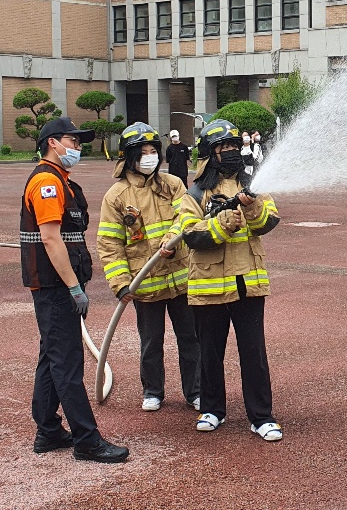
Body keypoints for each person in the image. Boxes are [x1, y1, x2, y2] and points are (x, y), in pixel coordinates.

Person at [21, 117, 129, 463]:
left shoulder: (58, 180)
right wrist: (73, 288)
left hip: (56, 286)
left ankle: (49, 430)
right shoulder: (47, 183)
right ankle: (86, 439)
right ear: (53, 143)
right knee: (67, 362)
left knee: (50, 357)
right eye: (73, 140)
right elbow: (51, 238)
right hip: (56, 287)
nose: (78, 147)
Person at [179, 119, 283, 442]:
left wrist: (251, 212)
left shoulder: (254, 185)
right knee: (210, 352)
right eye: (225, 148)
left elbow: (269, 220)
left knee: (254, 352)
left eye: (236, 147)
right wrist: (223, 222)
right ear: (211, 154)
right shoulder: (195, 193)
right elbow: (190, 234)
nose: (233, 152)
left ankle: (261, 416)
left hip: (248, 285)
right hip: (209, 287)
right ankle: (211, 409)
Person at [97, 123, 200, 414]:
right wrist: (120, 283)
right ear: (129, 157)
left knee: (191, 339)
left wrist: (172, 239)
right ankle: (153, 391)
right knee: (151, 342)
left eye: (154, 151)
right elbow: (110, 244)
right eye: (143, 153)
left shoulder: (172, 184)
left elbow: (188, 217)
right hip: (145, 285)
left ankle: (196, 391)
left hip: (181, 279)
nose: (150, 157)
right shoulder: (116, 197)